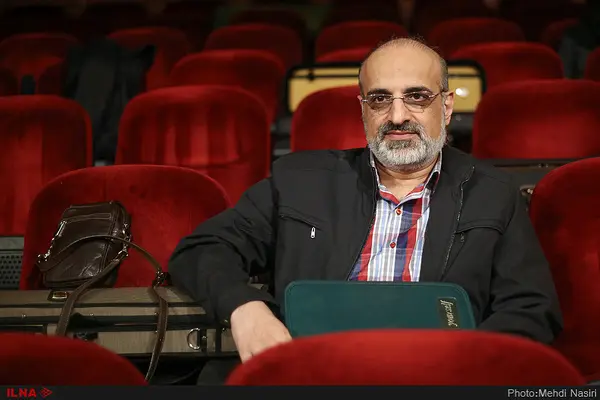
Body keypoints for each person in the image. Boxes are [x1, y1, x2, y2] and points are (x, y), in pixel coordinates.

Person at [169, 37, 563, 380]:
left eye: (417, 97)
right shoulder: (299, 181)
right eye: (380, 99)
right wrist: (245, 308)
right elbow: (204, 249)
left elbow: (531, 310)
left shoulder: (493, 193)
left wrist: (463, 364)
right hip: (309, 374)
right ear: (363, 110)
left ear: (445, 107)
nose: (397, 116)